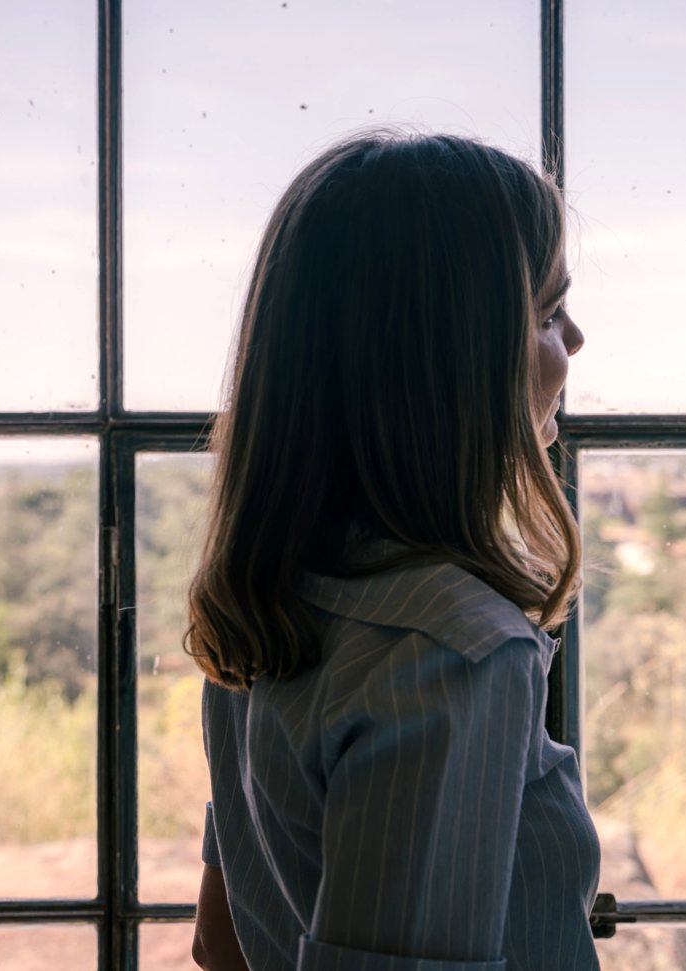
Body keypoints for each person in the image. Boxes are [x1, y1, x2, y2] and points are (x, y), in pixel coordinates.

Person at [185, 132, 599, 971]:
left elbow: (219, 943)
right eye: (547, 312)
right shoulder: (457, 652)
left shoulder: (268, 609)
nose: (576, 338)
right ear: (458, 363)